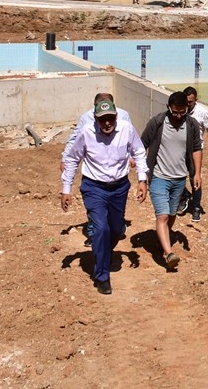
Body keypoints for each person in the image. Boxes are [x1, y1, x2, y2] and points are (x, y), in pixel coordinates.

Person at [61, 98, 148, 295]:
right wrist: (66, 189)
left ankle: (102, 253)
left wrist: (142, 180)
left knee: (116, 229)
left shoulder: (126, 129)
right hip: (94, 187)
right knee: (100, 228)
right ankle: (102, 276)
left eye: (110, 118)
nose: (107, 123)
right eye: (102, 119)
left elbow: (139, 152)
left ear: (116, 116)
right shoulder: (87, 133)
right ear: (96, 119)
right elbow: (73, 158)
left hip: (119, 187)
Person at [141, 91, 203, 269]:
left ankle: (163, 241)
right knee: (162, 215)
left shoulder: (191, 125)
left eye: (181, 112)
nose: (177, 116)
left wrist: (197, 173)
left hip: (179, 179)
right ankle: (169, 253)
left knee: (172, 214)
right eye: (174, 112)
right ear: (168, 107)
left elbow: (196, 149)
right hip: (159, 177)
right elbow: (142, 143)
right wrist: (140, 172)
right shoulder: (157, 122)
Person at [62, 92, 133, 247]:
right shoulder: (86, 118)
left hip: (117, 172)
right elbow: (74, 139)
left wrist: (131, 156)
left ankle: (115, 228)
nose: (106, 121)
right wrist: (65, 158)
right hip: (94, 172)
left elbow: (130, 138)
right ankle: (95, 235)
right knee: (95, 207)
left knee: (114, 211)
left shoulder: (124, 116)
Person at [183, 86, 208, 222]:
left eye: (190, 102)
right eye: (186, 101)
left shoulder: (202, 112)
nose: (188, 104)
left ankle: (196, 207)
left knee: (195, 178)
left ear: (196, 99)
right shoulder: (181, 110)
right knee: (176, 175)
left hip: (195, 151)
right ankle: (183, 196)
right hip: (181, 149)